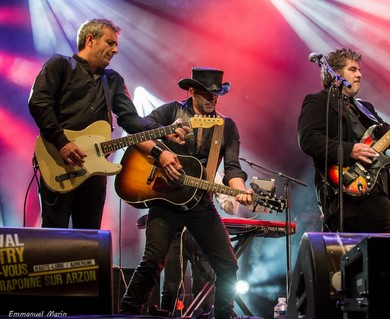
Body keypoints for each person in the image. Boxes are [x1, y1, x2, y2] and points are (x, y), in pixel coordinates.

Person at [120, 67, 253, 319]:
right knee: (152, 260)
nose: (212, 100)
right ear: (191, 91)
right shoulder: (170, 112)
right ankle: (128, 312)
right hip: (165, 198)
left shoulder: (227, 126)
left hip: (200, 203)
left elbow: (233, 168)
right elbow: (136, 133)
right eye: (206, 94)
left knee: (227, 265)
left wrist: (241, 191)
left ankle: (223, 314)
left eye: (216, 95)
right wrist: (161, 155)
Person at [28, 18, 162, 229]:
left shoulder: (113, 80)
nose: (116, 50)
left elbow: (128, 119)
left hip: (95, 170)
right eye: (110, 43)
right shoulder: (60, 65)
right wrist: (62, 142)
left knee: (89, 237)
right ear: (90, 40)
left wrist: (162, 131)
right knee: (54, 234)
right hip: (58, 161)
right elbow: (38, 102)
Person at [297, 48, 390, 233]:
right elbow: (308, 139)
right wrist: (350, 150)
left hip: (373, 188)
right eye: (353, 69)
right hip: (342, 188)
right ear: (336, 74)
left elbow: (386, 137)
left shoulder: (365, 108)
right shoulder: (317, 101)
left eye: (359, 70)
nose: (360, 74)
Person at [159, 173, 239, 317]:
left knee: (202, 290)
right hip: (176, 233)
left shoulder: (209, 168)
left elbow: (231, 208)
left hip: (201, 237)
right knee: (171, 287)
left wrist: (232, 187)